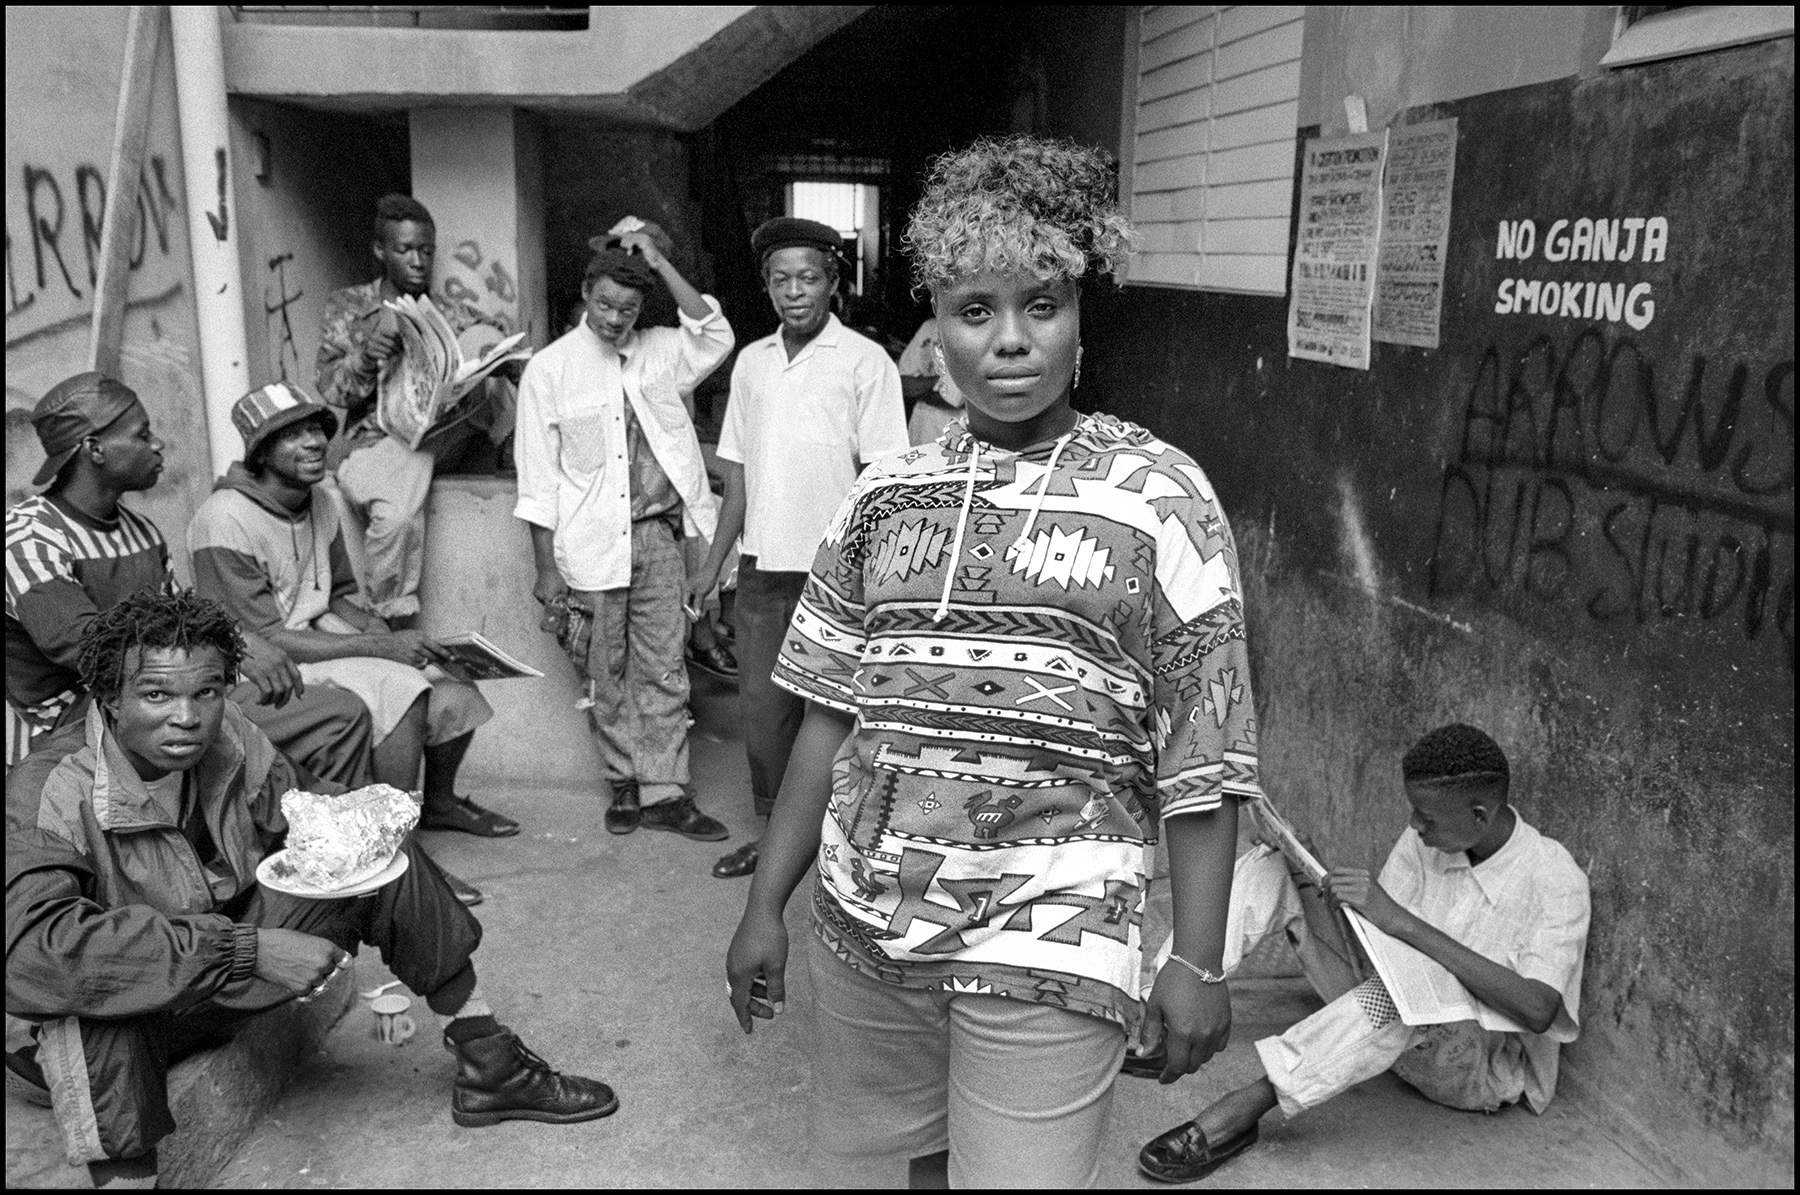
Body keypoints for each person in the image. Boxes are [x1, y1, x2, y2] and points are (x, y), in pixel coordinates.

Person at [723, 136, 1261, 1188]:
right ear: (936, 327)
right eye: (976, 310)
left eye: (1041, 305)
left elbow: (1206, 750)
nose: (1010, 340)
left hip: (1058, 923)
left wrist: (1198, 958)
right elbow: (828, 718)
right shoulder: (884, 497)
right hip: (870, 921)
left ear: (1079, 313)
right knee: (921, 1168)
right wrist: (763, 905)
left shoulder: (1160, 496)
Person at [4, 590, 616, 1189]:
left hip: (207, 983)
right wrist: (247, 951)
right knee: (95, 999)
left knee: (378, 858)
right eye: (156, 694)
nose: (187, 717)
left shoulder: (228, 732)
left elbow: (301, 809)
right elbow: (33, 953)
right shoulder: (49, 787)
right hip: (113, 1019)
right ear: (110, 698)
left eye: (206, 692)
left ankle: (491, 1063)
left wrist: (365, 818)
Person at [1136, 724, 1592, 1183]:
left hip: (1474, 1069)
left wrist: (1400, 921)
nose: (1415, 826)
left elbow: (1538, 1010)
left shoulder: (1555, 878)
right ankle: (1163, 1014)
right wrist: (1312, 871)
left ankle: (1246, 1107)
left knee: (1408, 991)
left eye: (1427, 818)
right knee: (1276, 865)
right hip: (1387, 1029)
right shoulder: (1428, 839)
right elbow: (1384, 948)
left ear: (1479, 815)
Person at [187, 384, 512, 902]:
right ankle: (399, 855)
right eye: (292, 435)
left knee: (449, 681)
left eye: (316, 429)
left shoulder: (319, 501)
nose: (314, 442)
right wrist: (378, 651)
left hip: (319, 639)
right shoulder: (223, 518)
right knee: (402, 692)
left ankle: (440, 803)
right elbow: (263, 639)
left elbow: (337, 594)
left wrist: (379, 631)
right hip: (266, 665)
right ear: (261, 452)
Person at [5, 372, 375, 787]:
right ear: (95, 449)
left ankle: (313, 826)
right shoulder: (28, 536)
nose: (157, 444)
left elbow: (180, 615)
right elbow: (87, 646)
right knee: (235, 740)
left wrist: (237, 642)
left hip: (163, 695)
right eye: (142, 435)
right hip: (75, 722)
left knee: (340, 717)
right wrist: (237, 649)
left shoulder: (139, 530)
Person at [687, 216, 908, 880]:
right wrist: (713, 564)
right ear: (766, 286)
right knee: (764, 714)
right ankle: (776, 839)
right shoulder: (752, 362)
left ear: (832, 283)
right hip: (761, 569)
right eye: (781, 280)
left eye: (808, 278)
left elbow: (885, 482)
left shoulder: (865, 362)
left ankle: (849, 843)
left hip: (839, 574)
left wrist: (882, 578)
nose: (794, 292)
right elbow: (738, 476)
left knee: (842, 713)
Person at [514, 228, 733, 843]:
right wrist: (545, 569)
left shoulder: (662, 351)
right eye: (605, 304)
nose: (615, 319)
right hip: (587, 543)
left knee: (664, 666)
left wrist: (659, 261)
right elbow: (537, 481)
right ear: (587, 292)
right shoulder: (549, 371)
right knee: (603, 671)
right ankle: (623, 782)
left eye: (628, 310)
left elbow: (715, 333)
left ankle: (666, 791)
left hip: (658, 536)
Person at [316, 193, 516, 629]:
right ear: (380, 250)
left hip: (441, 436)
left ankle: (511, 450)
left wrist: (499, 357)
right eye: (405, 250)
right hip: (378, 442)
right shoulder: (349, 307)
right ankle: (389, 615)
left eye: (427, 250)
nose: (418, 261)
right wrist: (366, 356)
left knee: (484, 359)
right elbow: (332, 390)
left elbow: (491, 350)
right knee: (397, 510)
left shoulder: (451, 313)